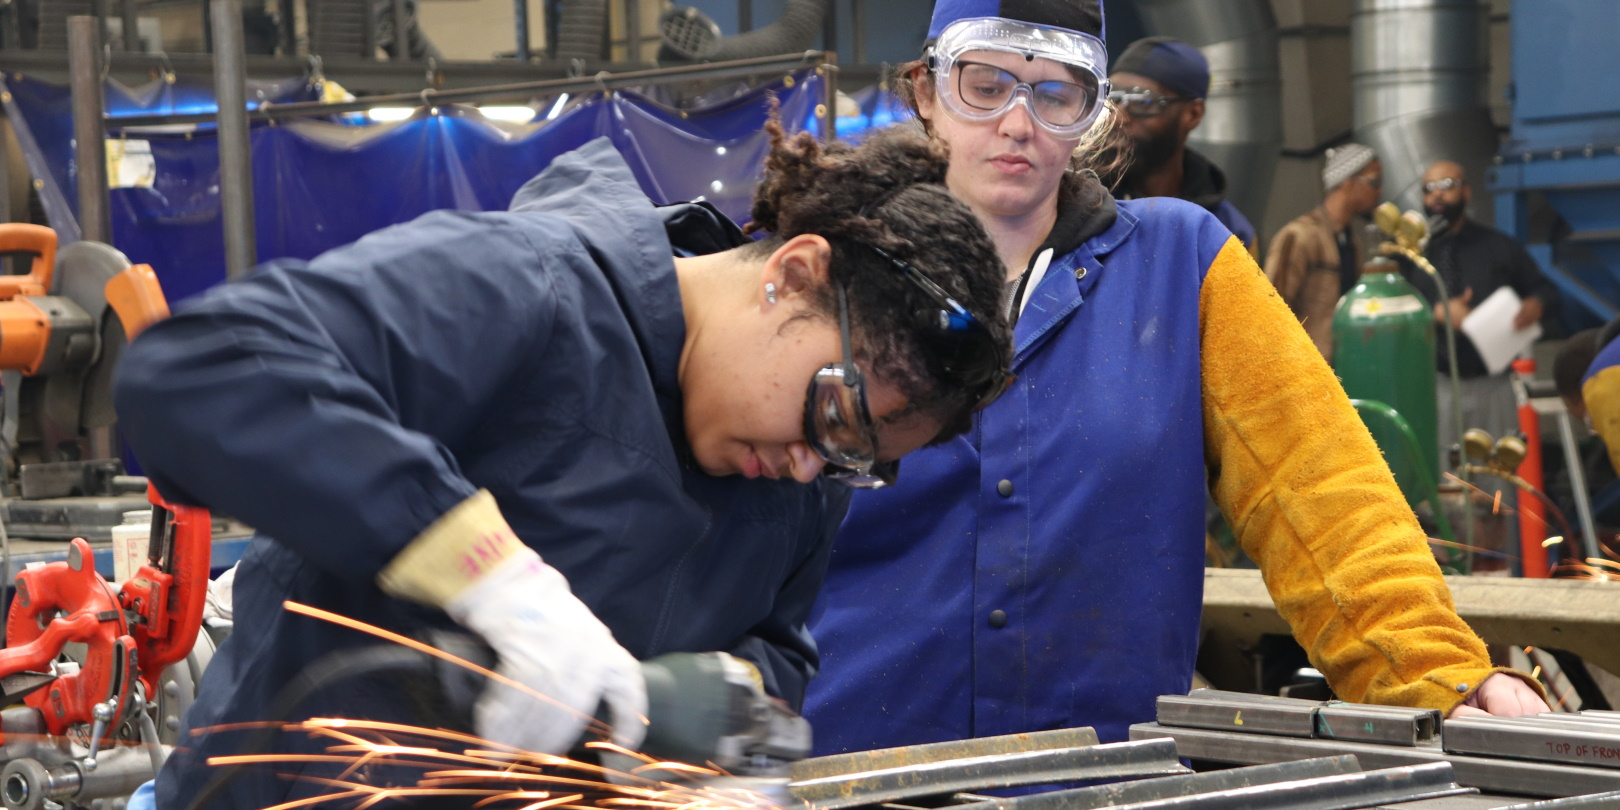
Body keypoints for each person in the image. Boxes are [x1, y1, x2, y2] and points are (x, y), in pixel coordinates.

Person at [112, 122, 1014, 808]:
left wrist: (713, 717)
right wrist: (490, 577)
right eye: (837, 414)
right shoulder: (527, 291)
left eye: (860, 459)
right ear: (796, 271)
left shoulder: (799, 468)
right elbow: (198, 373)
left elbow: (775, 647)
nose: (814, 465)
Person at [803, 0, 1547, 756]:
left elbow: (1319, 488)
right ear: (927, 94)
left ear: (1093, 112)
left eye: (1057, 92)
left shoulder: (1183, 264)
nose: (1019, 123)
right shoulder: (823, 271)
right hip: (849, 771)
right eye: (985, 85)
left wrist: (1439, 677)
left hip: (1104, 781)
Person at [1402, 160, 1558, 458]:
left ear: (1467, 192)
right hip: (1438, 384)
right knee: (1447, 479)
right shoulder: (1411, 255)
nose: (1437, 195)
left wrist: (1535, 304)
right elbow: (1393, 310)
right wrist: (1437, 312)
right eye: (1429, 189)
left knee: (1498, 474)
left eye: (1447, 186)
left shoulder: (1498, 245)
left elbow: (1546, 292)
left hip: (1493, 383)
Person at [1103, 36, 1256, 251]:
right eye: (1112, 98)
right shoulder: (1083, 207)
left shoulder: (1227, 233)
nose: (1118, 117)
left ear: (1193, 114)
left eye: (1143, 101)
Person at [1262, 142, 1383, 359]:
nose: (1379, 191)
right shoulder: (1300, 235)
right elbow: (1270, 312)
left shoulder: (1350, 240)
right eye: (1374, 182)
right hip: (1305, 374)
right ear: (1348, 182)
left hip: (1340, 370)